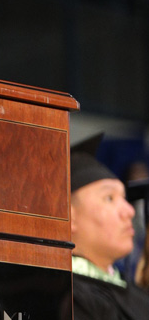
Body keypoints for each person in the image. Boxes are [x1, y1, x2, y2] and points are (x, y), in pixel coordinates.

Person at [70, 134, 149, 319]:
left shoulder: (139, 297)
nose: (129, 210)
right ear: (70, 216)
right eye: (109, 198)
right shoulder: (63, 298)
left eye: (124, 198)